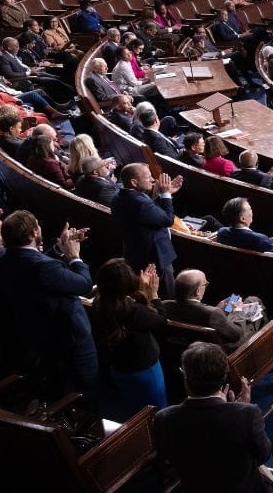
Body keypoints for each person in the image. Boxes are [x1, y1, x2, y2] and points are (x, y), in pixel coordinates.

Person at [0, 212, 95, 397]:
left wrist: (58, 249)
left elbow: (37, 265)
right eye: (37, 225)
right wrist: (73, 256)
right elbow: (84, 284)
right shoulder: (45, 268)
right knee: (83, 387)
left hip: (36, 332)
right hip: (69, 338)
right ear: (33, 234)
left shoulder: (1, 256)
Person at [154, 343, 273, 491]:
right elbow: (263, 455)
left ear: (185, 378)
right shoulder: (247, 414)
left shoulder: (163, 418)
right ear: (224, 376)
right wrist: (240, 408)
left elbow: (170, 463)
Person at [90, 258, 168, 419]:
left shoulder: (99, 304)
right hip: (145, 371)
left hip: (118, 367)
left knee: (130, 409)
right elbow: (161, 321)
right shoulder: (134, 311)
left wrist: (140, 291)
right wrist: (153, 294)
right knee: (156, 412)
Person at [113, 163, 181, 297]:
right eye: (148, 177)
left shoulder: (120, 195)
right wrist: (166, 194)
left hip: (136, 253)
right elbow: (168, 220)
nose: (153, 180)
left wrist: (163, 195)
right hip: (155, 258)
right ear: (134, 182)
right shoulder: (140, 203)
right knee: (165, 294)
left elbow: (147, 212)